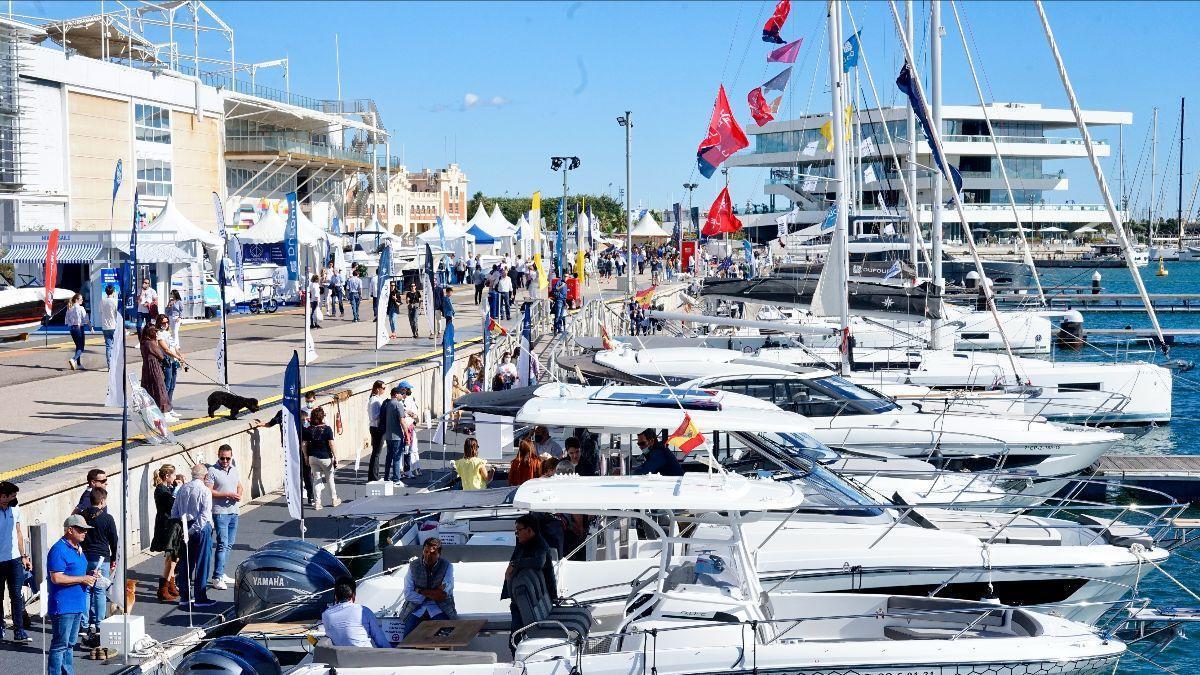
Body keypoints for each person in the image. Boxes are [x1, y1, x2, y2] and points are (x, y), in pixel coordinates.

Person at [47, 515, 96, 675]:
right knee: (60, 645)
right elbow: (56, 577)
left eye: (85, 530)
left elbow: (76, 572)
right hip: (64, 606)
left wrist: (88, 574)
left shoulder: (78, 549)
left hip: (76, 605)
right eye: (81, 530)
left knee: (69, 644)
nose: (85, 533)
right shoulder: (58, 550)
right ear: (70, 530)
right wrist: (83, 578)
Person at [503, 514, 557, 640]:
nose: (517, 534)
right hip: (517, 601)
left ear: (529, 530)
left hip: (528, 601)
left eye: (518, 531)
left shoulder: (540, 545)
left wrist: (514, 564)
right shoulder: (523, 543)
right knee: (514, 637)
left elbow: (539, 562)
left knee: (515, 639)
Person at [171, 464, 215, 608]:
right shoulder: (205, 491)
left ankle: (184, 596)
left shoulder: (183, 488)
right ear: (205, 476)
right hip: (200, 529)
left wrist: (185, 528)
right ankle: (200, 597)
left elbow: (174, 512)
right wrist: (193, 529)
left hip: (185, 525)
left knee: (186, 562)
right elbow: (204, 515)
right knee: (202, 562)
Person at [398, 538, 457, 638]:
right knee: (407, 639)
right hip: (416, 608)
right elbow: (408, 593)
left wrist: (419, 590)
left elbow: (442, 595)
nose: (428, 556)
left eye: (433, 553)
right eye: (426, 551)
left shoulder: (447, 566)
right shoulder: (413, 566)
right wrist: (433, 593)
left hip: (440, 607)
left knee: (446, 637)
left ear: (439, 553)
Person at [79, 487, 117, 642]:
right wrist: (114, 557)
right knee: (100, 591)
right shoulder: (107, 518)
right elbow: (114, 540)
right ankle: (100, 624)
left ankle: (84, 624)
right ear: (102, 501)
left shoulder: (82, 516)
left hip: (85, 557)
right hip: (102, 558)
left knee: (86, 590)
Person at [206, 444, 242, 590]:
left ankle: (221, 572)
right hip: (220, 512)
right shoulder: (212, 471)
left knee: (229, 544)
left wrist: (239, 493)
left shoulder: (233, 469)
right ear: (218, 456)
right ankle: (216, 577)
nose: (225, 461)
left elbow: (239, 485)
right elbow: (209, 491)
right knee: (222, 544)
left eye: (228, 458)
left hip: (234, 511)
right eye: (223, 458)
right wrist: (227, 494)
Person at [0, 481, 30, 643]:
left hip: (14, 560)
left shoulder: (15, 509)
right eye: (5, 497)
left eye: (10, 497)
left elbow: (18, 532)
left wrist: (24, 555)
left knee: (16, 596)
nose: (8, 500)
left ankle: (19, 630)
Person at [322, 577, 389, 648]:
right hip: (365, 656)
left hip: (341, 657)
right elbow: (380, 641)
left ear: (336, 597)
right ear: (353, 595)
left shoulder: (326, 615)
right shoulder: (364, 611)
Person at [150, 464, 181, 602]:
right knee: (171, 556)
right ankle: (163, 587)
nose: (175, 478)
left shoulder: (166, 488)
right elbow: (172, 503)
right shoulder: (161, 490)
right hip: (165, 525)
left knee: (175, 556)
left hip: (169, 524)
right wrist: (178, 489)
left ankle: (170, 583)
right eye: (173, 475)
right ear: (167, 476)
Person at [303, 408, 339, 510]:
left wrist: (306, 456)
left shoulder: (308, 430)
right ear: (322, 417)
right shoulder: (327, 429)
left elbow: (304, 444)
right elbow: (331, 444)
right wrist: (336, 457)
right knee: (329, 478)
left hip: (312, 457)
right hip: (325, 457)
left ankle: (318, 502)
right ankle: (334, 499)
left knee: (316, 478)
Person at [140, 323, 174, 419]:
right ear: (151, 332)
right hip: (154, 366)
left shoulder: (143, 342)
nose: (156, 333)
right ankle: (164, 411)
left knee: (150, 388)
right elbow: (160, 355)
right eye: (154, 331)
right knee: (160, 388)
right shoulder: (150, 343)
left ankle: (152, 410)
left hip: (146, 367)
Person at [155, 313, 184, 417]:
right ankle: (164, 409)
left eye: (167, 322)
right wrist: (177, 356)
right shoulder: (159, 334)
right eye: (164, 322)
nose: (166, 324)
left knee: (172, 385)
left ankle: (169, 407)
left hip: (173, 361)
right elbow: (166, 349)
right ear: (159, 323)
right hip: (166, 361)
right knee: (166, 386)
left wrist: (180, 356)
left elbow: (174, 346)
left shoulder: (167, 333)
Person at [381, 385, 408, 482]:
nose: (402, 395)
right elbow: (402, 421)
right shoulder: (398, 404)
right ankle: (396, 479)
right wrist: (407, 435)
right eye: (401, 394)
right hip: (397, 436)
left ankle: (386, 477)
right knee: (397, 458)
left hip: (388, 436)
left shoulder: (388, 403)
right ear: (396, 395)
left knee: (389, 457)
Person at [366, 381, 387, 482]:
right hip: (376, 428)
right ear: (378, 389)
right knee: (376, 453)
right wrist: (383, 411)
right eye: (383, 388)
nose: (384, 390)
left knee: (377, 453)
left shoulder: (377, 399)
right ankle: (374, 476)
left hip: (376, 428)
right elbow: (373, 416)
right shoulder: (374, 400)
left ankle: (375, 475)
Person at [98, 284, 120, 370]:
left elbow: (100, 312)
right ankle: (115, 363)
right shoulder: (115, 301)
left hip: (105, 326)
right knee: (115, 346)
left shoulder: (102, 301)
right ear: (113, 291)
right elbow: (117, 313)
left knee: (108, 346)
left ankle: (109, 365)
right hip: (114, 325)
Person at [65, 293, 88, 371]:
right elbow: (86, 319)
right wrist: (91, 327)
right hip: (79, 328)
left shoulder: (69, 308)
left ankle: (78, 364)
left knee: (78, 346)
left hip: (72, 329)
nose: (82, 300)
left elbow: (67, 320)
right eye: (81, 299)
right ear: (76, 300)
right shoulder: (81, 308)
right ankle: (73, 359)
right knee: (81, 347)